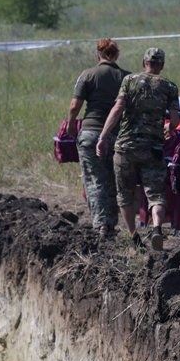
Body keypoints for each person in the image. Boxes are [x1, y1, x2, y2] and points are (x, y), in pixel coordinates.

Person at [96, 47, 180, 250]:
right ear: (161, 65)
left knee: (124, 193)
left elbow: (117, 109)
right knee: (155, 193)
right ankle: (157, 229)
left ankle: (134, 236)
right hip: (153, 148)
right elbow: (175, 119)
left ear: (144, 63)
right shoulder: (169, 86)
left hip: (126, 147)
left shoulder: (129, 81)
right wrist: (170, 126)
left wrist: (103, 136)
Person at [65, 38, 128, 238]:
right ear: (116, 55)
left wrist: (71, 122)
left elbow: (75, 105)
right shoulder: (126, 77)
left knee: (94, 180)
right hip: (116, 135)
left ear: (97, 55)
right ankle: (111, 223)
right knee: (112, 179)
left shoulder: (88, 75)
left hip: (91, 132)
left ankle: (101, 224)